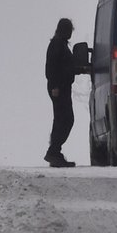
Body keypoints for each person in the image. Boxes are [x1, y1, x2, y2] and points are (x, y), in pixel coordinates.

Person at [45, 18, 79, 167]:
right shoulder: (57, 44)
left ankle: (55, 152)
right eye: (70, 29)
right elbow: (52, 68)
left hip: (63, 87)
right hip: (58, 88)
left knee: (62, 119)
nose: (71, 32)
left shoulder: (61, 44)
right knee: (64, 119)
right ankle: (53, 151)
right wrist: (55, 86)